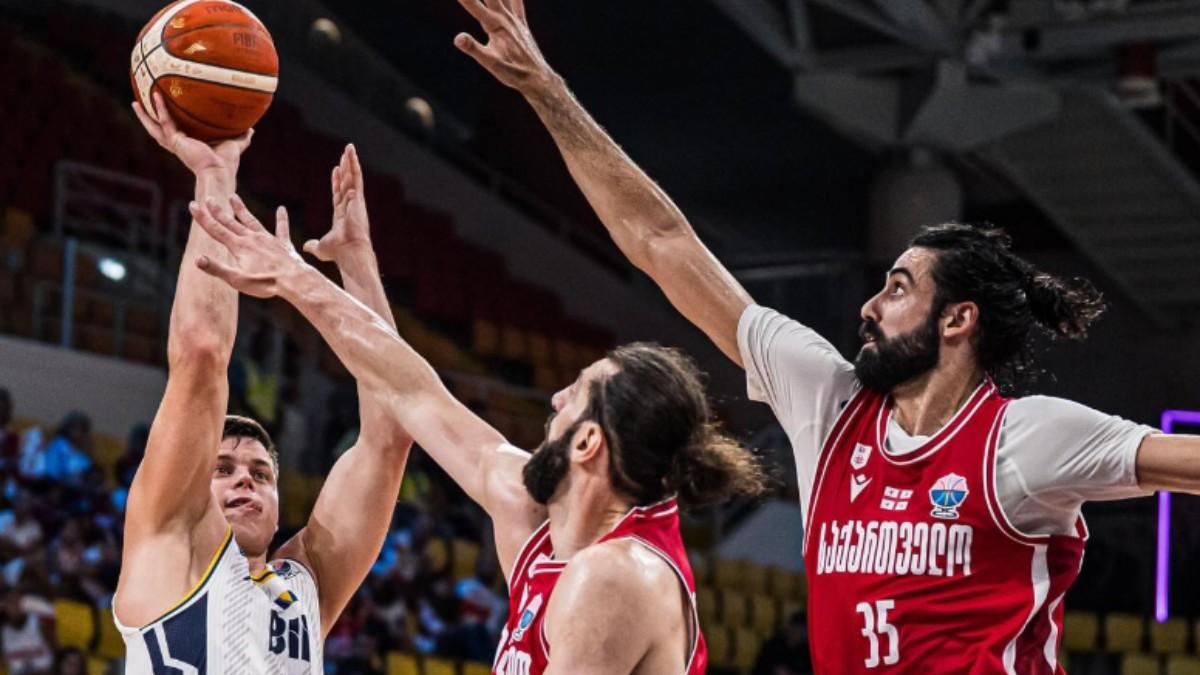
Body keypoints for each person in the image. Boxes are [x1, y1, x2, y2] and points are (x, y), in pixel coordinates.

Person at [444, 2, 1200, 672]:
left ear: (958, 320)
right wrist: (547, 91)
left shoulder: (1024, 441)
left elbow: (1183, 462)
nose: (869, 304)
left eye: (899, 288)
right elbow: (661, 241)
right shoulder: (828, 400)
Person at [188, 184, 768, 674]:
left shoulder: (616, 579)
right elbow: (412, 392)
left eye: (575, 394)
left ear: (588, 444)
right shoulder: (537, 516)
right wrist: (343, 269)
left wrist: (297, 280)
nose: (555, 398)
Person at [112, 93, 411, 672]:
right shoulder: (168, 547)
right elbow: (201, 354)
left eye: (260, 473)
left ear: (279, 503)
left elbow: (391, 430)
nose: (244, 481)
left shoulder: (305, 587)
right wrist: (215, 174)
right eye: (222, 469)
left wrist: (356, 263)